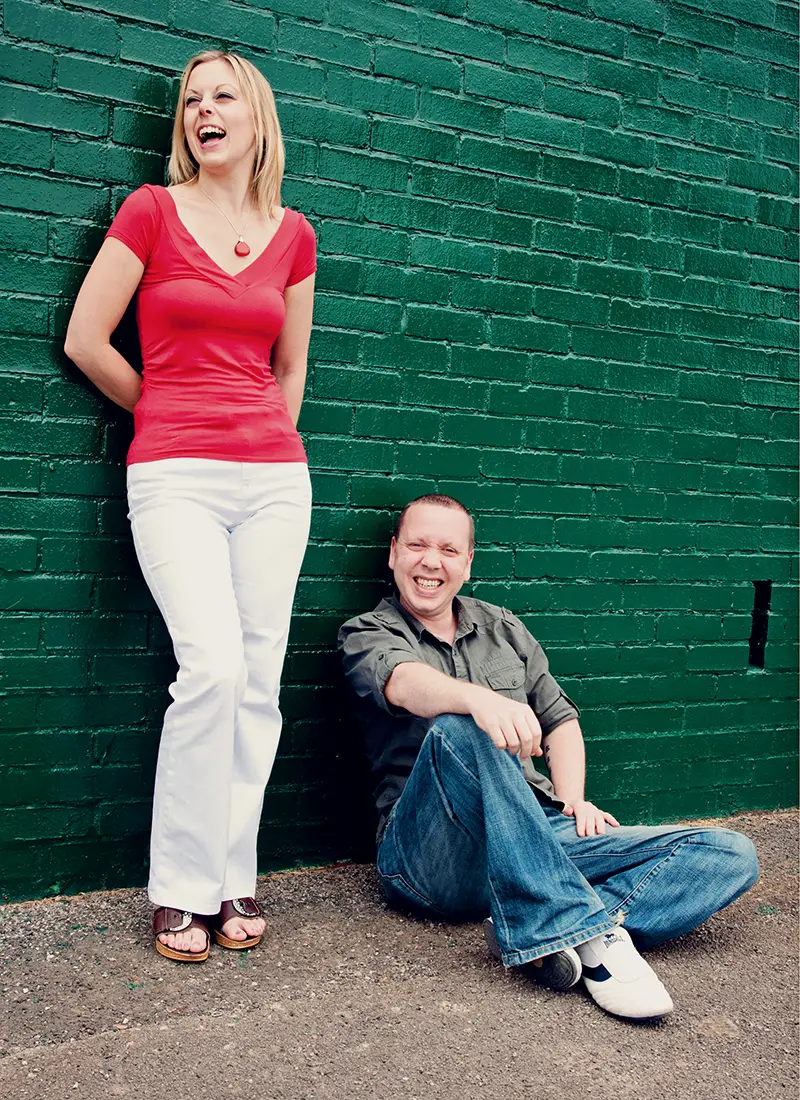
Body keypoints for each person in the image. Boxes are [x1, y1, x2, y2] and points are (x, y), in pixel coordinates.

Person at [65, 51, 316, 962]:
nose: (203, 110)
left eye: (222, 97)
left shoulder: (295, 234)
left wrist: (263, 436)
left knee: (258, 679)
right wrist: (166, 410)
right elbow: (85, 338)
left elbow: (289, 370)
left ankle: (233, 875)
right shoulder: (151, 210)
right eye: (190, 101)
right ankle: (178, 887)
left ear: (257, 118)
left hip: (274, 480)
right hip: (174, 474)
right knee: (210, 668)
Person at [338, 494, 759, 1021]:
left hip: (535, 830)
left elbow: (560, 720)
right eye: (418, 545)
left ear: (467, 563)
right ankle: (585, 933)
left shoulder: (502, 627)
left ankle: (548, 929)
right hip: (433, 855)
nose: (431, 561)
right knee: (462, 724)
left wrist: (573, 799)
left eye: (448, 549)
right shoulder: (366, 632)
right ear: (394, 553)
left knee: (727, 854)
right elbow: (404, 683)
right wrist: (479, 700)